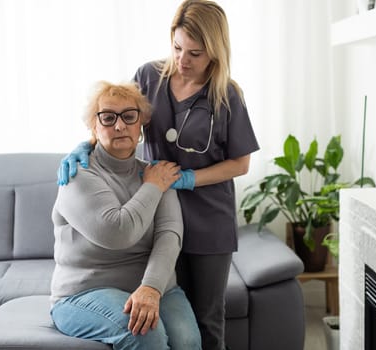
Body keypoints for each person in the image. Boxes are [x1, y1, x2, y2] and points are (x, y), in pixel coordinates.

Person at [57, 1, 259, 348]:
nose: (183, 61)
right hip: (154, 208)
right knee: (166, 305)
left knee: (208, 319)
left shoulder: (227, 95)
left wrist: (189, 179)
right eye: (177, 48)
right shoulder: (149, 76)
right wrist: (84, 146)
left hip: (208, 214)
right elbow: (118, 116)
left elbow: (240, 164)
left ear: (215, 50)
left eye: (195, 53)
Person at [50, 81, 201, 350]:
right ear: (93, 127)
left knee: (187, 341)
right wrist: (152, 186)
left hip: (155, 286)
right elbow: (118, 233)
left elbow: (169, 235)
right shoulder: (77, 174)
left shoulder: (157, 172)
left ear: (140, 124)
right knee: (146, 334)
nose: (119, 126)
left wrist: (152, 288)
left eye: (128, 116)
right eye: (108, 118)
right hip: (85, 292)